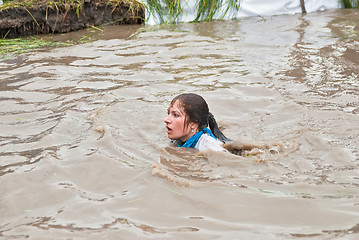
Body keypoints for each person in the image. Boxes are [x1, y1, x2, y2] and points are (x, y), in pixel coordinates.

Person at [164, 93, 231, 152]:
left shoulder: (209, 147)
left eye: (176, 115)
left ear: (193, 124)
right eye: (168, 113)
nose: (166, 119)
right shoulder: (180, 138)